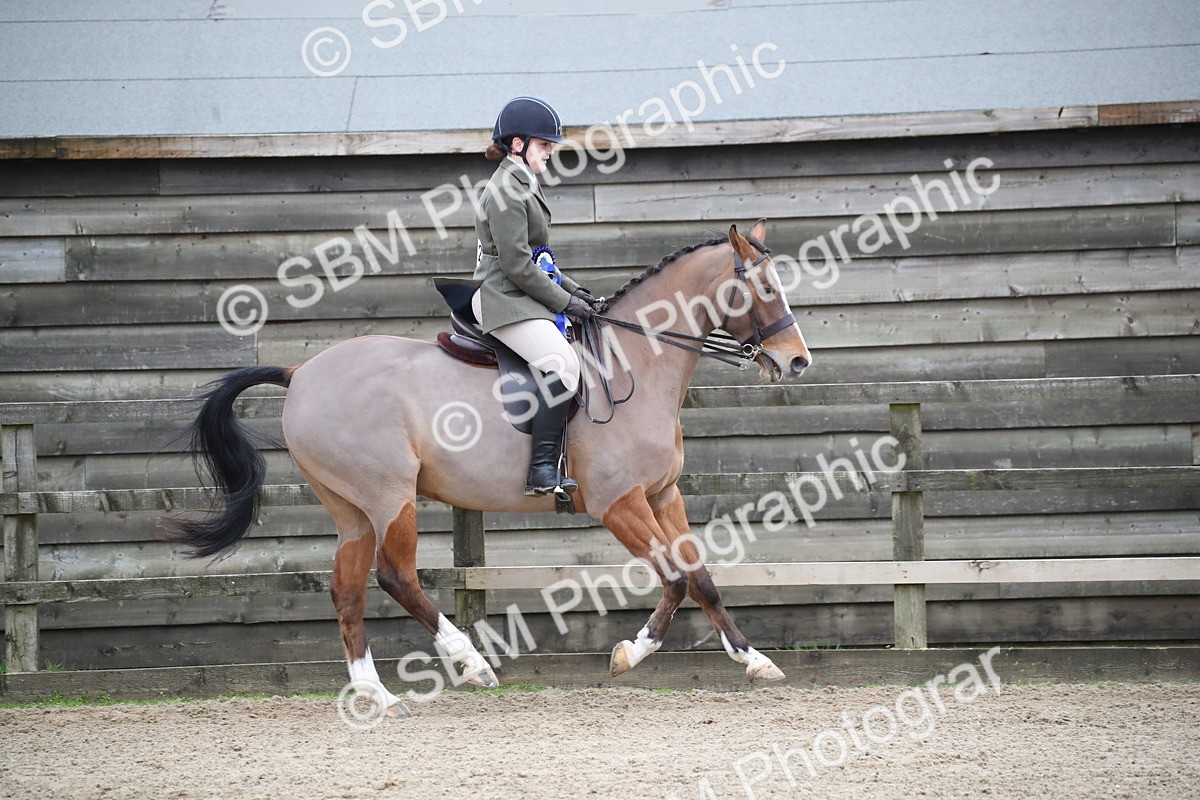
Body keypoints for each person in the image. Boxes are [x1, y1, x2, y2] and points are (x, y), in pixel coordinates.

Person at [471, 96, 598, 497]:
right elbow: (517, 265)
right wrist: (563, 303)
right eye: (545, 146)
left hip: (519, 292)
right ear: (518, 145)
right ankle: (541, 469)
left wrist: (577, 292)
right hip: (502, 296)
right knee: (563, 364)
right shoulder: (507, 189)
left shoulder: (522, 182)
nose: (550, 153)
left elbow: (540, 260)